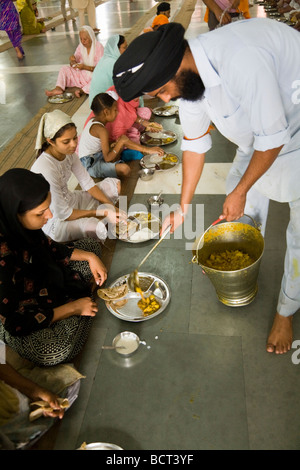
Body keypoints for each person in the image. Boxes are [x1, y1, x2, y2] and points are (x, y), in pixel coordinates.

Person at [113, 20, 300, 355]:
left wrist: (241, 190)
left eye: (161, 92)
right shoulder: (192, 82)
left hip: (293, 131)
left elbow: (273, 139)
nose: (166, 98)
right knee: (238, 207)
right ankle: (244, 270)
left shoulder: (241, 58)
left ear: (175, 66)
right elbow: (195, 144)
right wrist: (183, 207)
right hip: (258, 138)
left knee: (298, 236)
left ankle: (287, 310)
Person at [0, 168, 108, 366]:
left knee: (90, 246)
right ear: (15, 214)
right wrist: (73, 308)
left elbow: (50, 248)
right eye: (41, 213)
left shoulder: (19, 225)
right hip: (16, 314)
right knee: (55, 351)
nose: (49, 215)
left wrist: (91, 257)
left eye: (48, 207)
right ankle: (79, 305)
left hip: (41, 279)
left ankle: (79, 307)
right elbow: (15, 323)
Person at [31, 109, 124, 243]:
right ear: (50, 141)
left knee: (114, 185)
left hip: (71, 200)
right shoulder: (45, 168)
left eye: (75, 137)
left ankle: (97, 215)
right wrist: (102, 212)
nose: (74, 144)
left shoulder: (70, 154)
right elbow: (63, 213)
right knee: (96, 227)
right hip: (56, 220)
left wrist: (110, 206)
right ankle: (91, 222)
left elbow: (87, 183)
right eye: (66, 141)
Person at [78, 91, 163, 177]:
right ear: (106, 112)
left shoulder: (94, 121)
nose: (118, 113)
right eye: (115, 110)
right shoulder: (102, 130)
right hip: (89, 164)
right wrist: (120, 144)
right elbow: (107, 158)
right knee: (124, 169)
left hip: (98, 155)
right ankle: (145, 150)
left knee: (121, 141)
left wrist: (118, 144)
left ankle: (146, 150)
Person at [45, 26, 104, 98]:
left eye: (85, 39)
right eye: (81, 39)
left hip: (93, 76)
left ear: (91, 37)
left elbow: (101, 69)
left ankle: (82, 91)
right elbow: (74, 63)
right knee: (64, 69)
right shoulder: (81, 46)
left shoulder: (99, 47)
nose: (82, 42)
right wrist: (72, 61)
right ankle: (59, 88)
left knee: (100, 79)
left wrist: (85, 67)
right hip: (81, 75)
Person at [89, 35, 127, 107]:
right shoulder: (114, 64)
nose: (127, 50)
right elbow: (124, 87)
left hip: (95, 103)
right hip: (103, 106)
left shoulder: (106, 58)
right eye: (124, 47)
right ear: (116, 49)